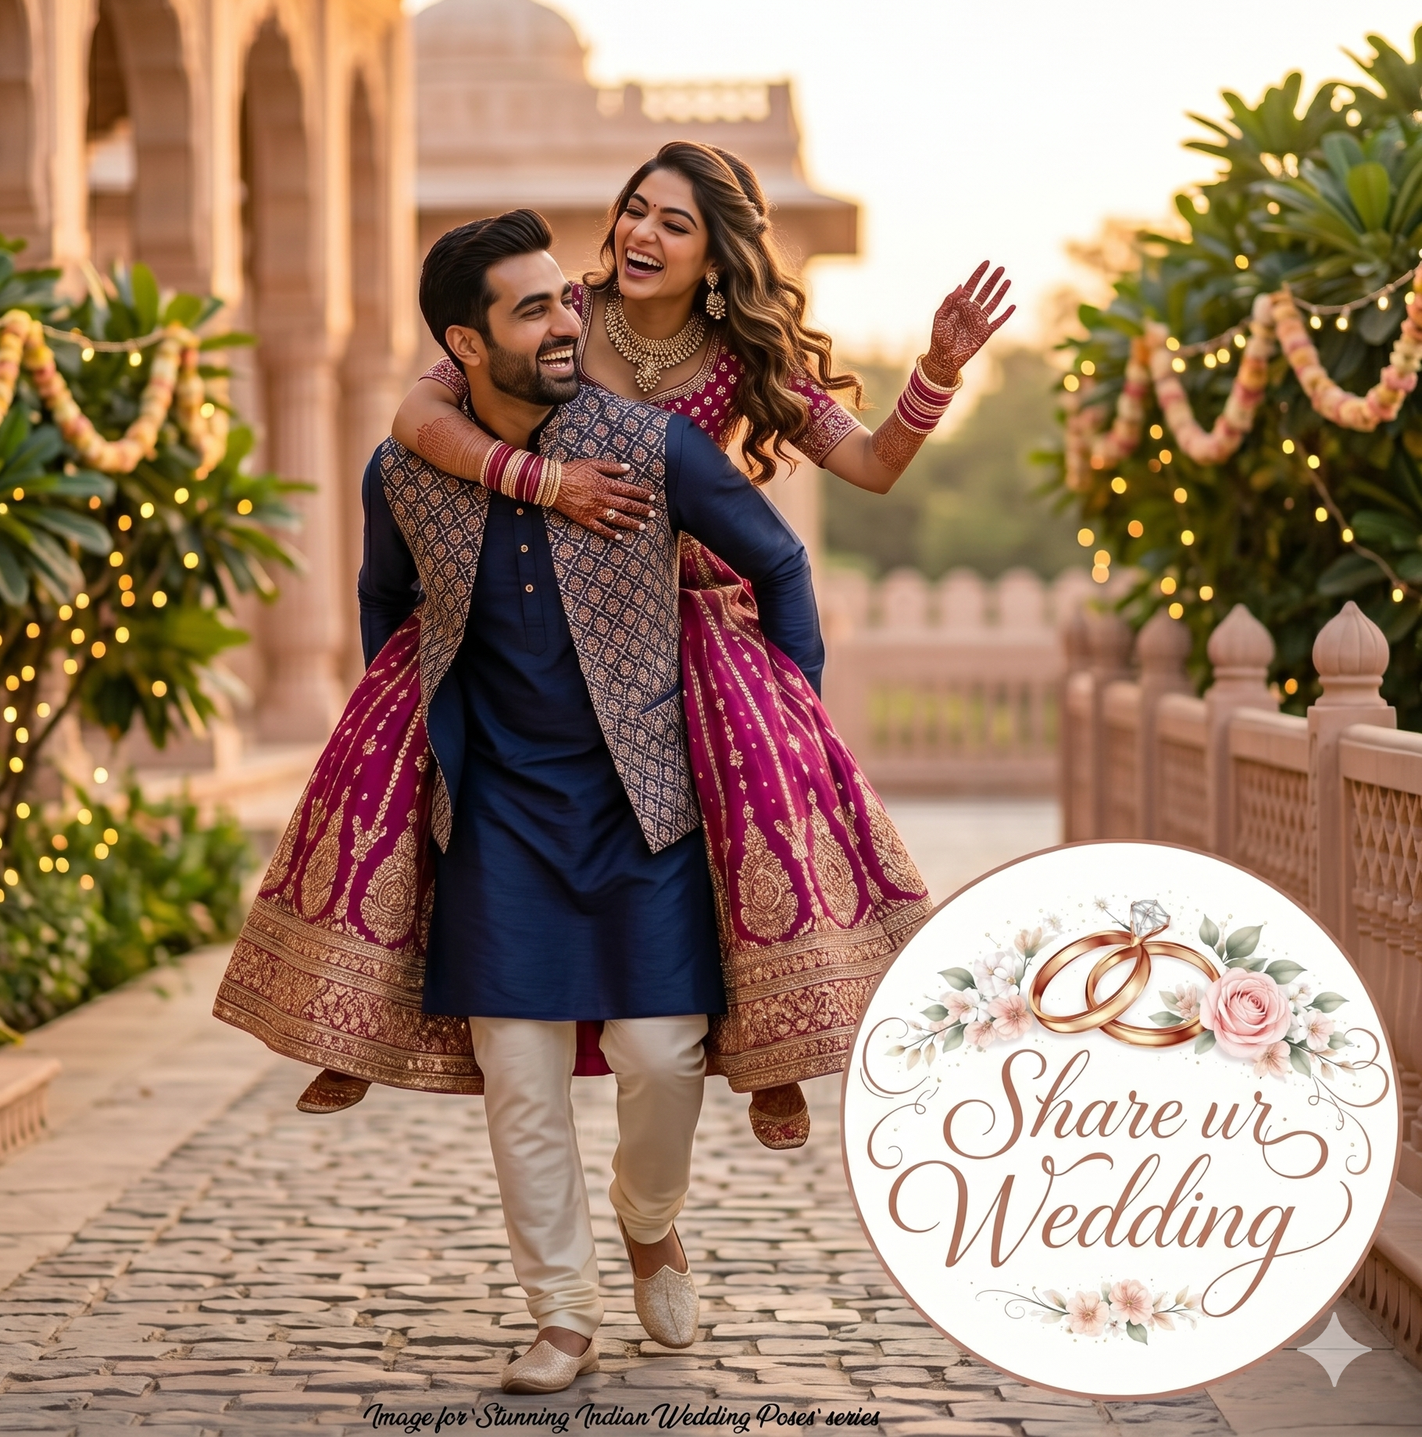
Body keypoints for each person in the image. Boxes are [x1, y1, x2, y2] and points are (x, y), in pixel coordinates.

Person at [216, 145, 1012, 1149]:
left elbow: (872, 465)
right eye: (635, 209)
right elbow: (416, 415)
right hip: (522, 606)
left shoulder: (743, 357)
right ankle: (364, 1021)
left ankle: (770, 1053)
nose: (641, 232)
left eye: (674, 224)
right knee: (418, 774)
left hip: (678, 618)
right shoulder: (562, 315)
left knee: (751, 798)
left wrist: (936, 374)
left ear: (716, 257)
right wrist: (540, 483)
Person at [362, 209, 821, 1391]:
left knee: (661, 1056)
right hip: (497, 818)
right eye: (534, 309)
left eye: (565, 299)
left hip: (646, 806)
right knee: (518, 1075)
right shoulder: (406, 472)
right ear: (467, 345)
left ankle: (646, 1215)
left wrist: (787, 726)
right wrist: (413, 740)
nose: (567, 319)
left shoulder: (650, 448)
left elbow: (778, 561)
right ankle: (561, 1313)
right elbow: (383, 600)